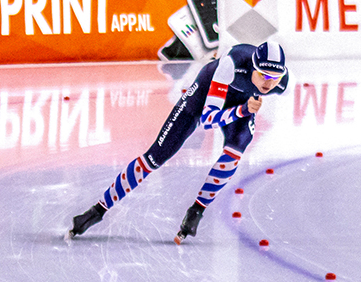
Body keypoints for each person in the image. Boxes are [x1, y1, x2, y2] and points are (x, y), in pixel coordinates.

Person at [67, 41, 290, 243]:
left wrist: (244, 109)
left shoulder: (282, 83)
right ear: (253, 67)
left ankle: (196, 211)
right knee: (155, 158)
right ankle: (97, 210)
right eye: (263, 75)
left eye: (275, 77)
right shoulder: (230, 65)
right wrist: (242, 110)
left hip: (242, 104)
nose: (269, 83)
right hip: (204, 97)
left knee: (235, 152)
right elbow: (208, 120)